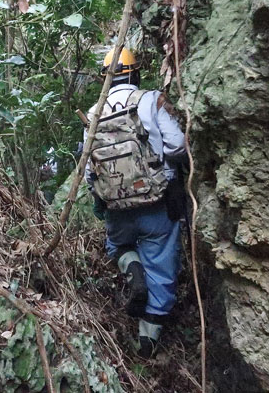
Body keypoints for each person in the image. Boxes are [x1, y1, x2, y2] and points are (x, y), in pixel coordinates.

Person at [84, 47, 186, 359]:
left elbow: (90, 171)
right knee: (163, 262)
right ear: (135, 72)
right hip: (157, 203)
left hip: (117, 209)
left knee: (117, 247)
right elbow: (178, 144)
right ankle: (148, 338)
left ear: (105, 78)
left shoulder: (93, 113)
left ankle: (133, 267)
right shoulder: (148, 99)